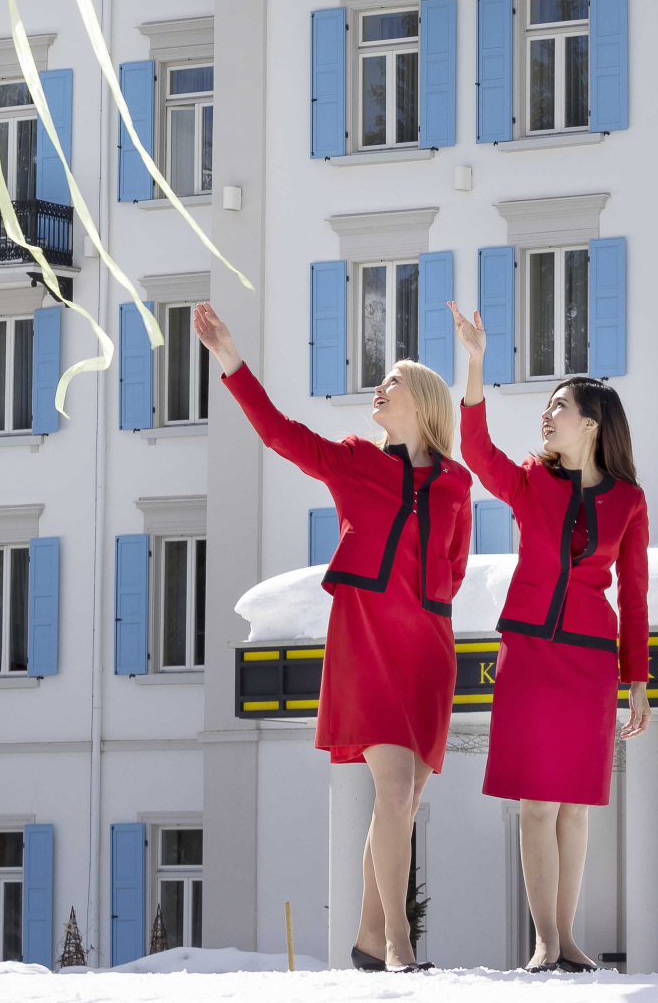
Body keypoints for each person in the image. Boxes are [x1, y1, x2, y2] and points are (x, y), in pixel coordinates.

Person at [193, 303, 471, 973]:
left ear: (424, 401)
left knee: (399, 801)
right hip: (366, 643)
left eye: (393, 381)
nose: (380, 387)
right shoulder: (351, 462)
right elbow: (279, 434)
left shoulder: (457, 484)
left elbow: (455, 568)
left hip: (428, 651)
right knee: (396, 790)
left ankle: (369, 940)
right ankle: (401, 943)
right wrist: (231, 358)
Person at [451, 301, 649, 971]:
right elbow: (475, 450)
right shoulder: (530, 481)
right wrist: (475, 362)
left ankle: (567, 938)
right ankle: (543, 940)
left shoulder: (629, 500)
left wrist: (637, 683)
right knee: (537, 803)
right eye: (547, 405)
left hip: (591, 662)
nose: (548, 413)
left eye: (559, 405)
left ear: (591, 424)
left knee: (575, 807)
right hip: (530, 653)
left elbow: (637, 594)